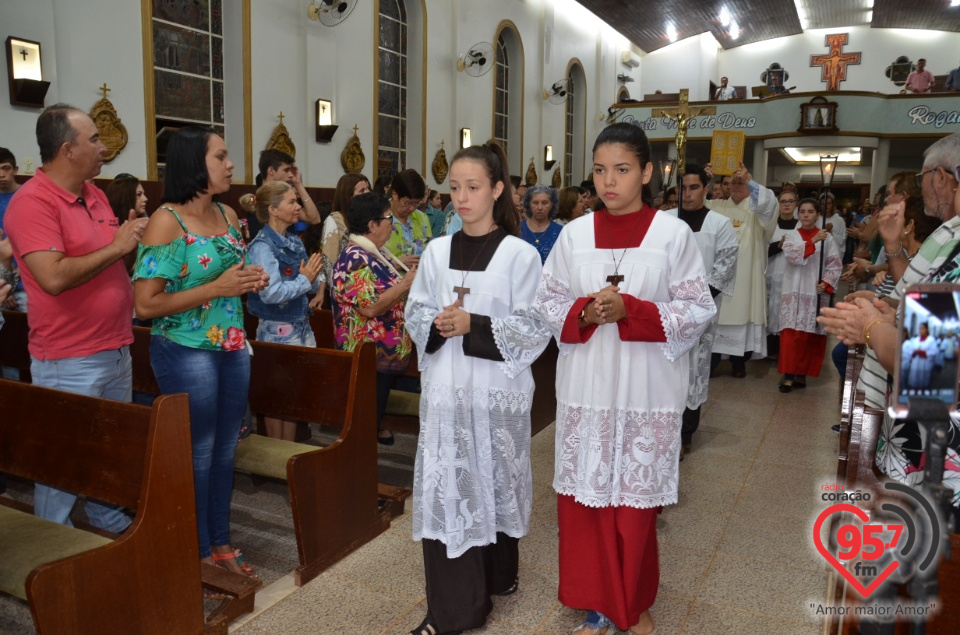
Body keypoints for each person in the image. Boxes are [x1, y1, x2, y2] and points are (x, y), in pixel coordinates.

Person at [535, 122, 715, 635]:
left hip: (645, 387)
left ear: (647, 172)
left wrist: (630, 309)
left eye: (622, 170)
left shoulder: (671, 234)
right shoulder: (574, 234)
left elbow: (695, 310)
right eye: (599, 170)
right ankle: (596, 602)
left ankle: (631, 604)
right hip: (587, 387)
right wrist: (588, 314)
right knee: (585, 502)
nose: (608, 182)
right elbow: (547, 303)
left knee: (633, 508)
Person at [404, 140, 551, 635]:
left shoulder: (518, 256)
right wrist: (439, 321)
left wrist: (475, 324)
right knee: (454, 489)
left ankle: (499, 576)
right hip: (447, 393)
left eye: (472, 187)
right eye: (454, 188)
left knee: (495, 480)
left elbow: (534, 325)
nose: (461, 198)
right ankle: (456, 612)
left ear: (497, 190)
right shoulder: (435, 250)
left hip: (495, 393)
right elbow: (415, 309)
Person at [4, 103, 149, 532]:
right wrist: (119, 247)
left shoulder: (95, 193)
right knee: (65, 457)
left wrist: (137, 243)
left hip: (115, 344)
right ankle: (52, 538)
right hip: (69, 355)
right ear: (67, 149)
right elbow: (52, 277)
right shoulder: (31, 203)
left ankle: (105, 514)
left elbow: (110, 259)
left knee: (109, 446)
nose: (104, 148)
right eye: (95, 140)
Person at [133, 126, 268, 578]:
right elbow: (145, 304)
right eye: (222, 157)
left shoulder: (230, 214)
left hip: (231, 345)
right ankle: (196, 551)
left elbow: (230, 280)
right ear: (195, 163)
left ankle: (221, 542)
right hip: (185, 348)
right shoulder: (166, 220)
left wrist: (248, 280)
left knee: (227, 447)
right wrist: (220, 286)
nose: (231, 165)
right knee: (199, 450)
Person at [818, 135, 960, 521]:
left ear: (944, 177)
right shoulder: (950, 238)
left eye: (924, 175)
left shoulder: (956, 247)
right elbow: (930, 318)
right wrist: (888, 313)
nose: (922, 183)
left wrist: (870, 327)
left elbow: (927, 363)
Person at [662, 165, 738, 459]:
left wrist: (693, 305)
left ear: (706, 188)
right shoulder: (665, 220)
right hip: (664, 309)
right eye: (683, 188)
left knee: (692, 369)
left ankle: (685, 433)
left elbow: (723, 268)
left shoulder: (719, 224)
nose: (688, 194)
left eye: (694, 187)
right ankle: (661, 427)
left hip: (700, 311)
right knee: (664, 369)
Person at [332, 192, 416, 446]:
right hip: (368, 353)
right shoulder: (355, 258)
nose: (392, 223)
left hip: (380, 355)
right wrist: (405, 285)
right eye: (388, 217)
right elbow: (369, 308)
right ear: (372, 225)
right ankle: (359, 475)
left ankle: (364, 468)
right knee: (365, 422)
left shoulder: (372, 253)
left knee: (372, 417)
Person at [242, 181, 323, 441]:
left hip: (299, 324)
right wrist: (304, 279)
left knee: (294, 397)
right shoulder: (262, 247)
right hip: (277, 328)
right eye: (291, 202)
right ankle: (274, 452)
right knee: (277, 399)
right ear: (273, 210)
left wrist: (315, 280)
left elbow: (306, 286)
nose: (298, 206)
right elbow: (271, 293)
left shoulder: (293, 241)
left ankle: (286, 451)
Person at [706, 162, 778, 377]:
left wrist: (750, 181)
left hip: (746, 278)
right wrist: (704, 177)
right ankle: (713, 361)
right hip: (719, 276)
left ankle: (739, 363)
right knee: (717, 318)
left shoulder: (757, 210)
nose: (735, 186)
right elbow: (690, 204)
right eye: (731, 182)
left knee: (741, 317)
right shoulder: (716, 207)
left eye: (740, 182)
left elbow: (770, 204)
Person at [776, 198, 842, 392]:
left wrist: (826, 283)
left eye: (810, 212)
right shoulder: (791, 236)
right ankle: (788, 376)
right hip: (793, 289)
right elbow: (792, 255)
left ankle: (801, 375)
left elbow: (835, 264)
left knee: (808, 335)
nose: (805, 215)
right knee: (790, 334)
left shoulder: (827, 238)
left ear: (817, 215)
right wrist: (813, 240)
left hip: (813, 291)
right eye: (802, 211)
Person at [318, 173, 371, 304]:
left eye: (368, 189)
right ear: (348, 196)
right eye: (362, 190)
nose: (368, 193)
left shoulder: (367, 219)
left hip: (366, 287)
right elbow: (328, 262)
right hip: (344, 291)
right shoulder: (336, 219)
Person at [767, 190, 799, 357]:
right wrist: (778, 246)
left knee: (788, 311)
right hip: (772, 273)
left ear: (795, 204)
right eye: (783, 201)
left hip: (792, 276)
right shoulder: (771, 225)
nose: (786, 204)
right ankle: (770, 348)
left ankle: (786, 348)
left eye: (790, 201)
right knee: (771, 311)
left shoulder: (801, 225)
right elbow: (761, 251)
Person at [384, 169, 431, 268]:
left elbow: (430, 251)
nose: (412, 208)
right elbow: (367, 263)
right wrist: (395, 264)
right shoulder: (379, 219)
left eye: (416, 203)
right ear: (395, 194)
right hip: (391, 280)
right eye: (407, 203)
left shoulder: (422, 218)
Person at [520, 184, 563, 263]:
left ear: (552, 205)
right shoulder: (517, 230)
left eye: (544, 203)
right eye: (535, 203)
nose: (540, 207)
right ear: (528, 204)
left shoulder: (560, 232)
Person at [902, 323, 938, 389]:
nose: (921, 330)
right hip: (915, 363)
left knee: (923, 380)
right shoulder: (916, 340)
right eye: (920, 329)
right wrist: (914, 352)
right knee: (914, 379)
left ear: (927, 329)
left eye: (922, 328)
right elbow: (910, 351)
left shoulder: (931, 340)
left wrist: (922, 352)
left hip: (924, 363)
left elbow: (934, 352)